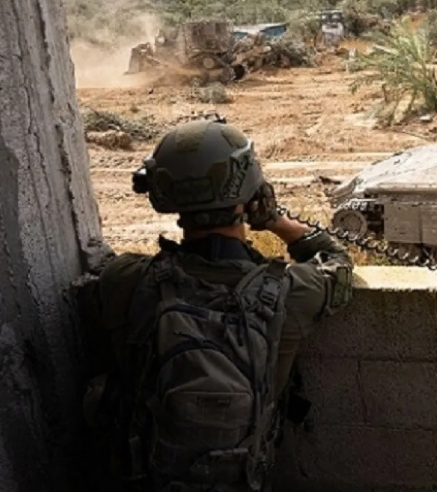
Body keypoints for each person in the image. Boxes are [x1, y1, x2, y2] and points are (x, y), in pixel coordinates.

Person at [76, 119, 354, 492]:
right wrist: (274, 220)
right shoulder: (291, 291)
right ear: (251, 192)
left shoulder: (126, 280)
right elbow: (337, 261)